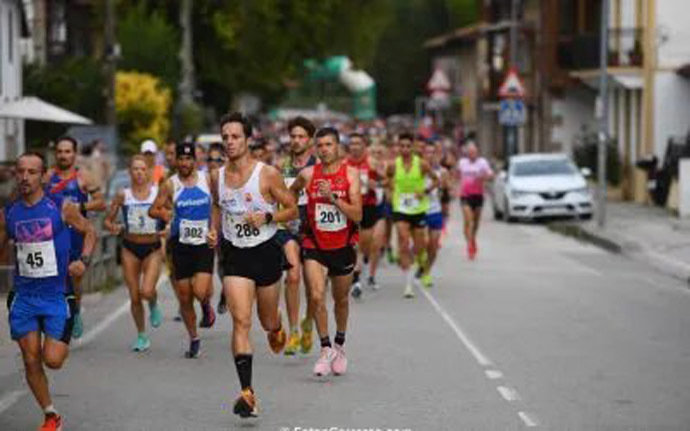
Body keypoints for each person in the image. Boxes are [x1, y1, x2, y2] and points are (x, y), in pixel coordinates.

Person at [209, 112, 297, 418]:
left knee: (267, 322)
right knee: (241, 321)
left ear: (248, 140)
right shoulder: (216, 176)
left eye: (235, 137)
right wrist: (213, 230)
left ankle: (277, 327)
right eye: (226, 137)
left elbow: (293, 208)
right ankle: (247, 392)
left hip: (265, 252)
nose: (230, 142)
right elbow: (217, 207)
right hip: (236, 255)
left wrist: (268, 217)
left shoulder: (267, 174)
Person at [3, 152, 96, 431]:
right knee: (31, 359)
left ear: (43, 176)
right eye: (20, 171)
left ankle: (73, 313)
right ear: (15, 175)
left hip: (57, 295)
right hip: (24, 296)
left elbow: (90, 231)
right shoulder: (9, 212)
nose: (25, 177)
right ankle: (51, 414)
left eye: (32, 172)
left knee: (52, 360)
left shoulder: (61, 207)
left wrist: (84, 261)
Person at [290, 127, 361, 377]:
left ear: (338, 147)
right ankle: (325, 348)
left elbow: (358, 215)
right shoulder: (308, 175)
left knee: (341, 300)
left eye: (328, 145)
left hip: (342, 245)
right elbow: (289, 193)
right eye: (319, 145)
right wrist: (290, 213)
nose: (323, 150)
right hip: (314, 243)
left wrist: (333, 199)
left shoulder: (351, 174)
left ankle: (340, 345)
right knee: (317, 295)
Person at [149, 142, 216, 358]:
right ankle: (194, 338)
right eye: (182, 159)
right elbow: (153, 210)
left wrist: (215, 229)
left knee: (199, 291)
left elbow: (218, 205)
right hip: (180, 245)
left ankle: (206, 305)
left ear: (194, 160)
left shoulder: (207, 179)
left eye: (189, 159)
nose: (185, 163)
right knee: (185, 297)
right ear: (176, 161)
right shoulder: (170, 184)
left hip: (204, 243)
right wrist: (166, 216)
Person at [47, 136, 106, 340]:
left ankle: (76, 310)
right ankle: (57, 319)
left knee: (74, 280)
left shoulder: (84, 177)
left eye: (67, 151)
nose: (63, 155)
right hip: (51, 238)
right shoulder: (46, 177)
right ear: (56, 153)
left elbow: (101, 203)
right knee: (54, 280)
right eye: (60, 151)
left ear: (75, 154)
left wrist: (80, 207)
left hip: (77, 236)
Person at [104, 156, 165, 352]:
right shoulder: (123, 195)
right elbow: (107, 220)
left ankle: (153, 303)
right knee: (135, 296)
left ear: (149, 171)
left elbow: (170, 213)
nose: (139, 173)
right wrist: (113, 227)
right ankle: (141, 335)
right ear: (129, 172)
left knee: (146, 291)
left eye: (142, 169)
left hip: (152, 248)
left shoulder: (158, 193)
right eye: (135, 169)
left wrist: (168, 226)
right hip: (130, 247)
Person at [279, 116, 319, 355]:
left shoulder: (318, 166)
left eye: (301, 136)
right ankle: (293, 331)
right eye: (292, 136)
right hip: (288, 230)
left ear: (310, 140)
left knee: (316, 288)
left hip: (314, 230)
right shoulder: (281, 166)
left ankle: (308, 323)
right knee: (293, 277)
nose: (295, 141)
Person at [387, 133, 438, 298]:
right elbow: (388, 178)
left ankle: (421, 257)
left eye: (408, 146)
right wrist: (391, 188)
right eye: (401, 146)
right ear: (398, 147)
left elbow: (436, 180)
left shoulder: (422, 164)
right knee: (403, 239)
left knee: (419, 246)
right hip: (400, 208)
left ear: (413, 147)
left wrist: (425, 191)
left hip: (418, 209)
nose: (404, 149)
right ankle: (408, 285)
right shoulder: (393, 165)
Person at [346, 133, 381, 297]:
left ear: (364, 146)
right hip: (351, 206)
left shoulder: (372, 162)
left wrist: (377, 184)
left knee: (365, 244)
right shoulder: (343, 164)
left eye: (358, 143)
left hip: (368, 207)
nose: (354, 146)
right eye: (352, 143)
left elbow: (386, 181)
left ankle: (361, 265)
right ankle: (356, 279)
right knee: (353, 245)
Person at [420, 141, 450, 287]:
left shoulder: (442, 172)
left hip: (435, 211)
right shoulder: (418, 169)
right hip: (420, 211)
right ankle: (421, 262)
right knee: (424, 243)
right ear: (423, 154)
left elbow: (446, 193)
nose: (430, 155)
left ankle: (426, 272)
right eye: (428, 152)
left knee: (434, 246)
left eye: (433, 152)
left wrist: (445, 186)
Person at [457, 141, 494, 259]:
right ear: (467, 153)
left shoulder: (482, 162)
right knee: (469, 220)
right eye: (470, 152)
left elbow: (491, 175)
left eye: (474, 152)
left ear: (477, 152)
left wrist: (484, 177)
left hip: (478, 195)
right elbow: (456, 175)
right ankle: (470, 245)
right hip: (465, 195)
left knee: (476, 223)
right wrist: (453, 188)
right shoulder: (462, 163)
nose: (472, 154)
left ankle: (472, 239)